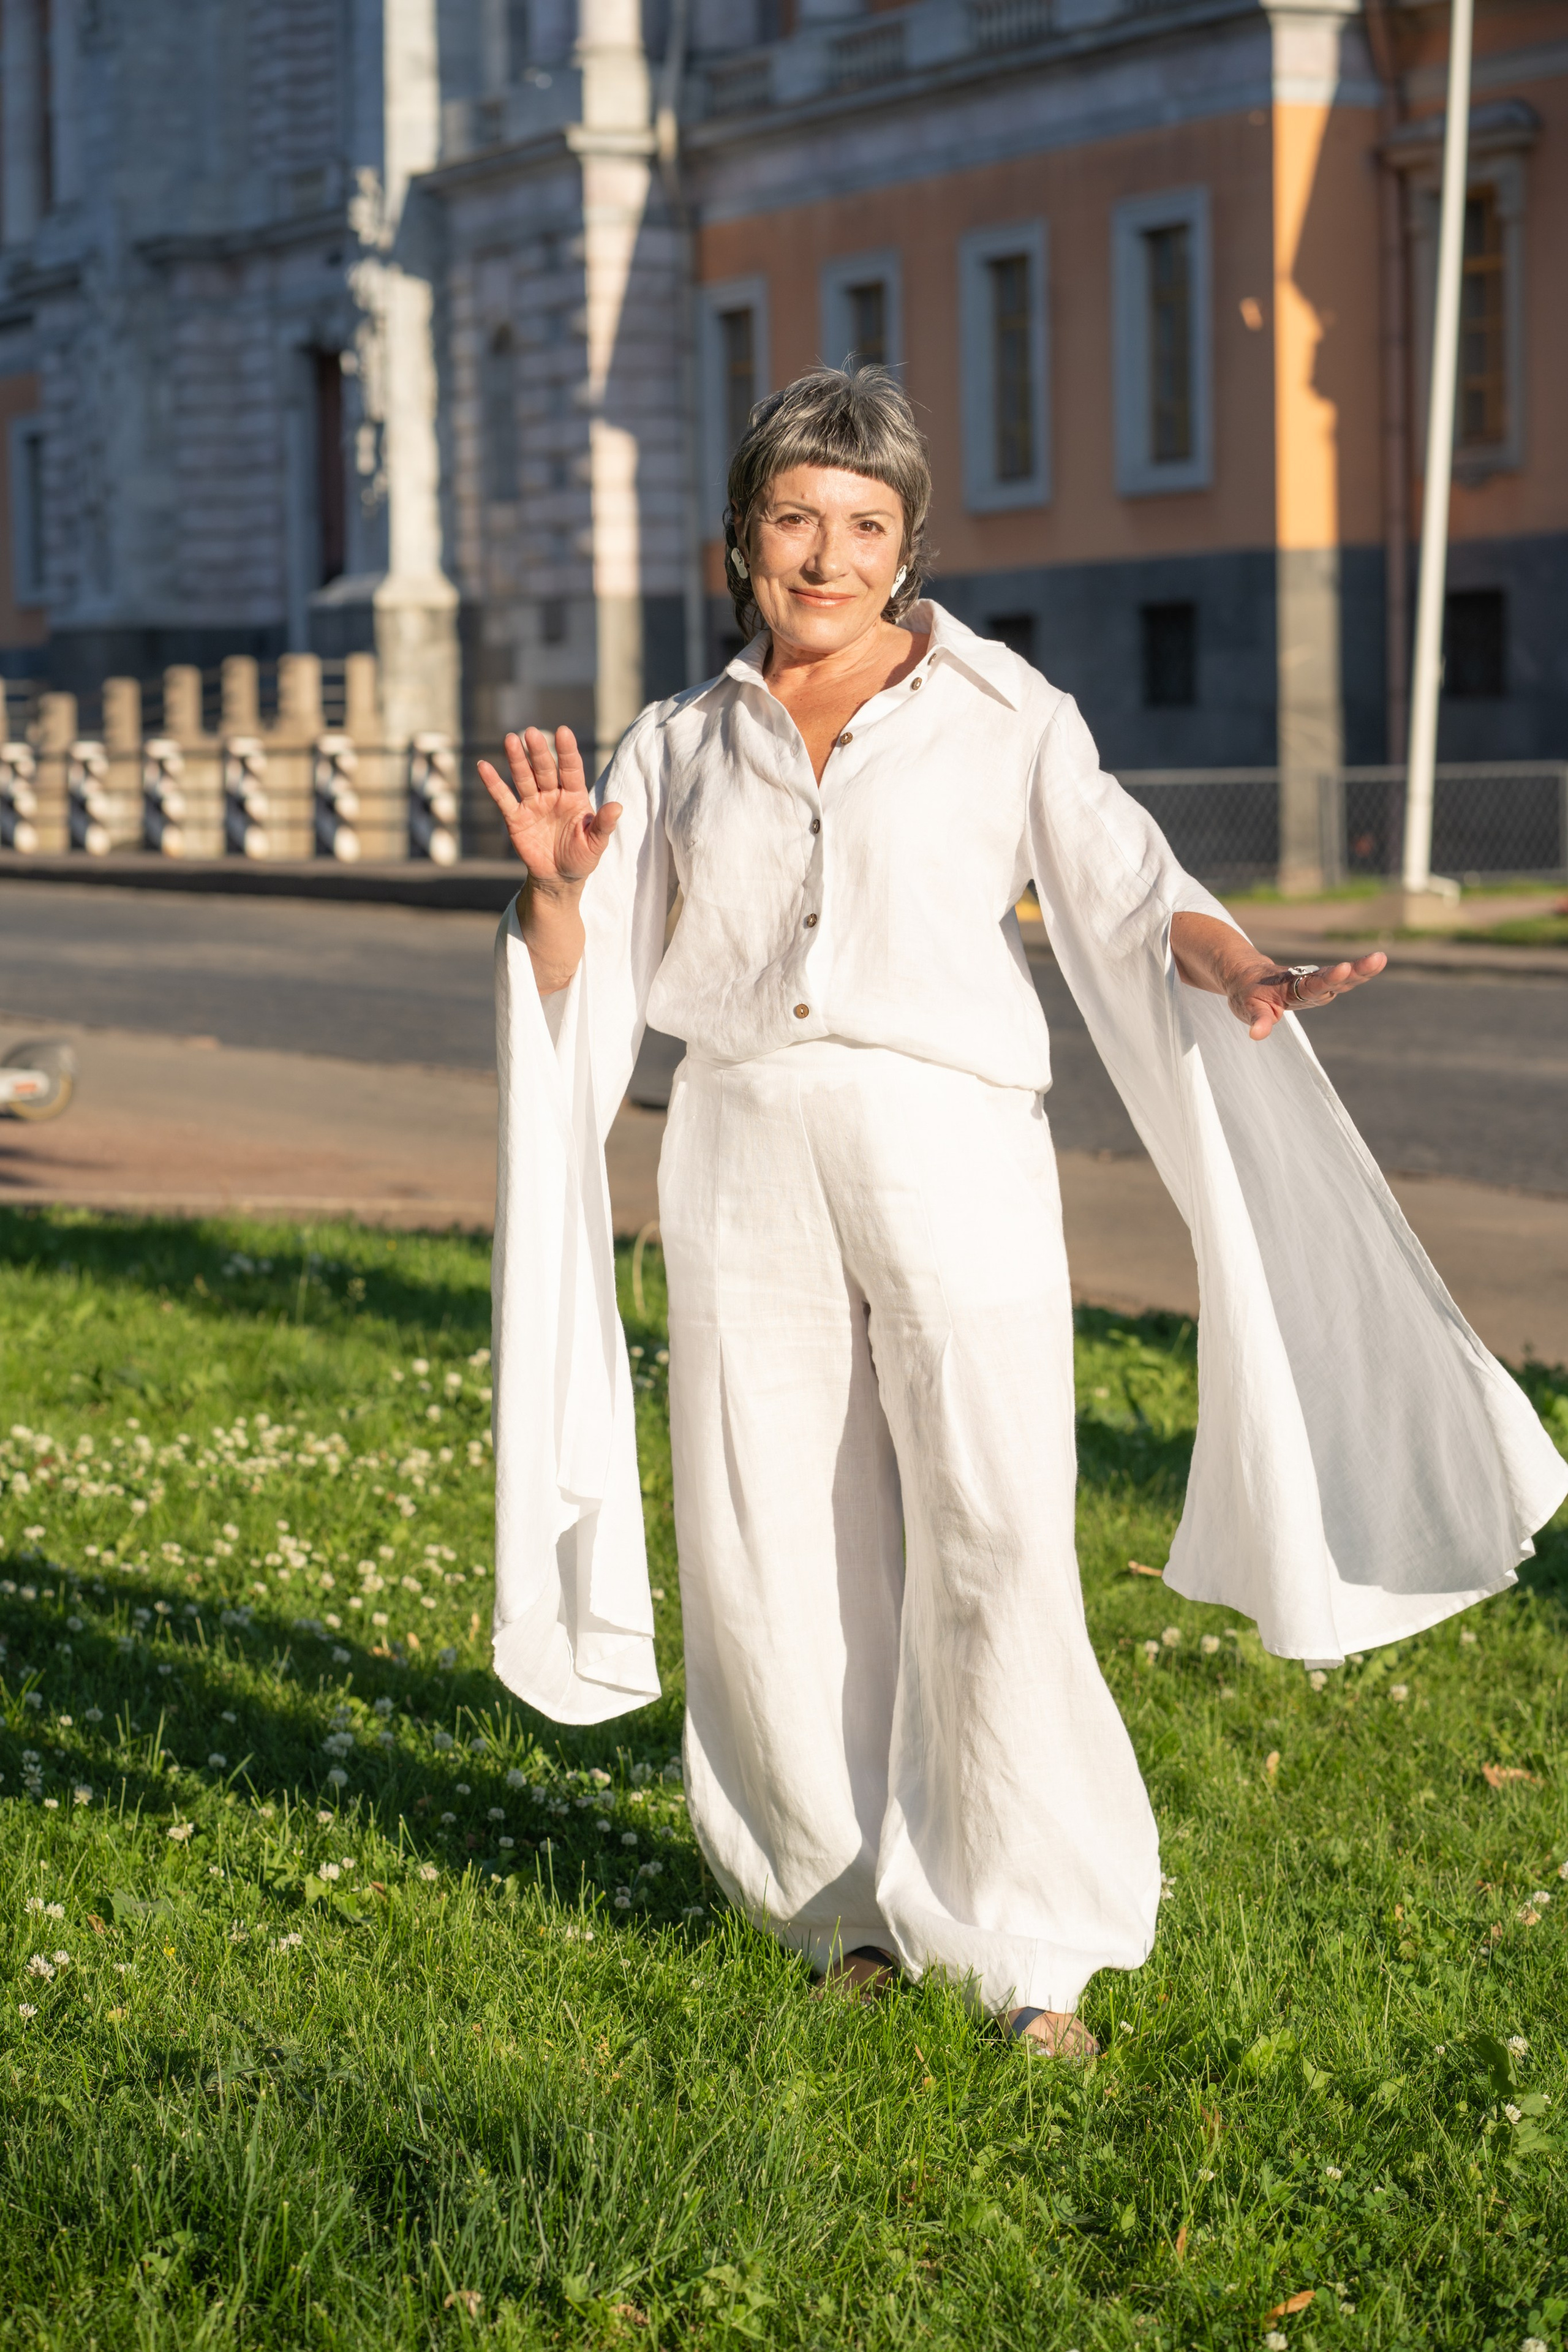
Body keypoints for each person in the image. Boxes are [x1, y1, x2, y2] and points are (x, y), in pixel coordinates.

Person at [480, 368, 1567, 2056]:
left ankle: (1027, 1944)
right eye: (794, 520)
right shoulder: (679, 745)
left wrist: (1243, 966)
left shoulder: (1002, 709)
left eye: (863, 527)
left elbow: (1131, 890)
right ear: (739, 544)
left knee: (994, 1526)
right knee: (771, 1542)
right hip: (743, 1149)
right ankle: (832, 1908)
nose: (825, 557)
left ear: (906, 550)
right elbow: (583, 981)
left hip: (951, 1144)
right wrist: (553, 890)